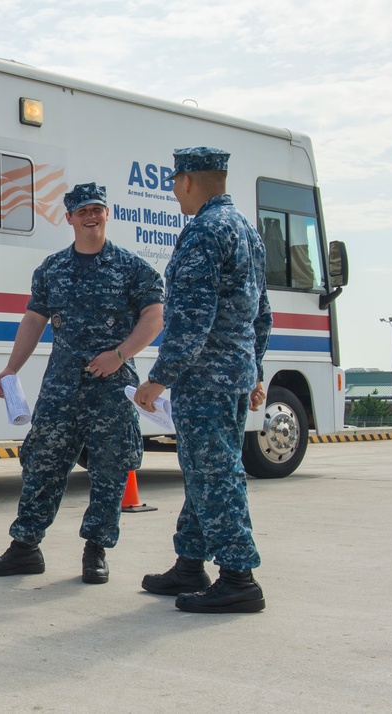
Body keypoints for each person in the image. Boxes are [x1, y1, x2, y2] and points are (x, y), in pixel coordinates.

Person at [0, 183, 164, 584]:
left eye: (97, 208)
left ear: (107, 213)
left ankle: (96, 550)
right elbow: (33, 320)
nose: (91, 216)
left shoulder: (132, 268)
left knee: (111, 468)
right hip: (61, 386)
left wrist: (119, 354)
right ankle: (25, 547)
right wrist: (10, 368)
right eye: (82, 211)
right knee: (41, 463)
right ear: (70, 218)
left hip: (112, 388)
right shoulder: (52, 269)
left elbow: (154, 316)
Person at [134, 147, 272, 614]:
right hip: (232, 375)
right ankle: (190, 564)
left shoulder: (203, 234)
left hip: (205, 380)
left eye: (174, 182)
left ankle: (238, 577)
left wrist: (159, 378)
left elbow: (192, 319)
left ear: (188, 181)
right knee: (205, 470)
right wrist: (253, 369)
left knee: (216, 476)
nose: (173, 191)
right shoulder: (247, 232)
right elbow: (262, 314)